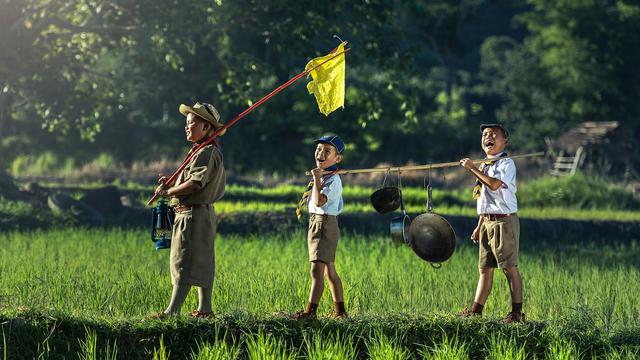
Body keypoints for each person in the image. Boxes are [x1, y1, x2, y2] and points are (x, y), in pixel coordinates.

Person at [154, 102, 226, 318]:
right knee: (201, 259)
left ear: (206, 127)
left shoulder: (207, 152)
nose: (187, 127)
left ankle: (172, 311)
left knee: (185, 259)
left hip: (193, 213)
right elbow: (189, 180)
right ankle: (205, 309)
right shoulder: (199, 151)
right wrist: (172, 185)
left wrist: (168, 193)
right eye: (186, 123)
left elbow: (195, 184)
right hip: (196, 212)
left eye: (191, 123)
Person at [459, 123, 524, 323]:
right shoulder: (483, 165)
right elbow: (485, 199)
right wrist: (479, 227)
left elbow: (494, 185)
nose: (489, 137)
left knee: (508, 268)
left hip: (504, 222)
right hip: (487, 222)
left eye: (495, 134)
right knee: (485, 269)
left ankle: (516, 314)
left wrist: (472, 169)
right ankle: (476, 312)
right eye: (486, 134)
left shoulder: (506, 164)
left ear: (505, 141)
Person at [293, 134, 348, 320]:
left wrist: (317, 178)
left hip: (324, 224)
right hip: (316, 222)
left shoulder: (332, 181)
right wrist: (318, 176)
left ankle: (310, 312)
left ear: (337, 158)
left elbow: (318, 200)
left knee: (317, 270)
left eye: (327, 151)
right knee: (329, 270)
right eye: (318, 149)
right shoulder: (324, 176)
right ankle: (340, 311)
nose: (320, 154)